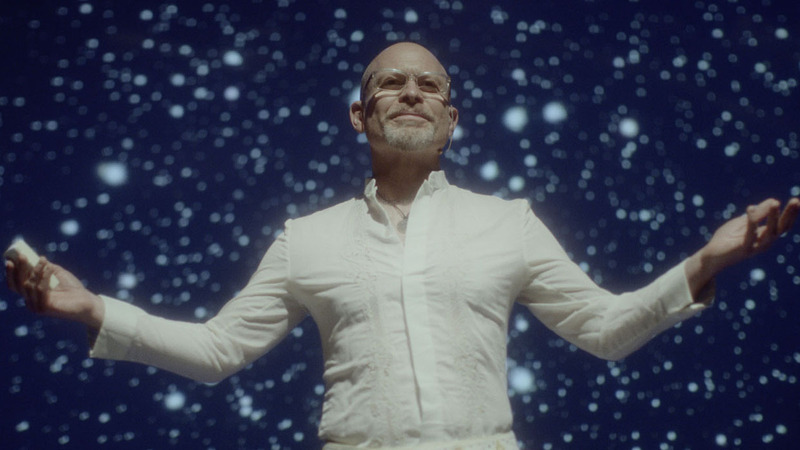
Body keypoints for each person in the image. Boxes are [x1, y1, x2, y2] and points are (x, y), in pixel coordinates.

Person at [6, 42, 799, 449]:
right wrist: (94, 308)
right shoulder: (306, 238)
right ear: (360, 116)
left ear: (452, 119)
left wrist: (705, 262)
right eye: (390, 83)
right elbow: (218, 350)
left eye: (429, 86)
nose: (411, 92)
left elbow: (604, 329)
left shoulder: (509, 222)